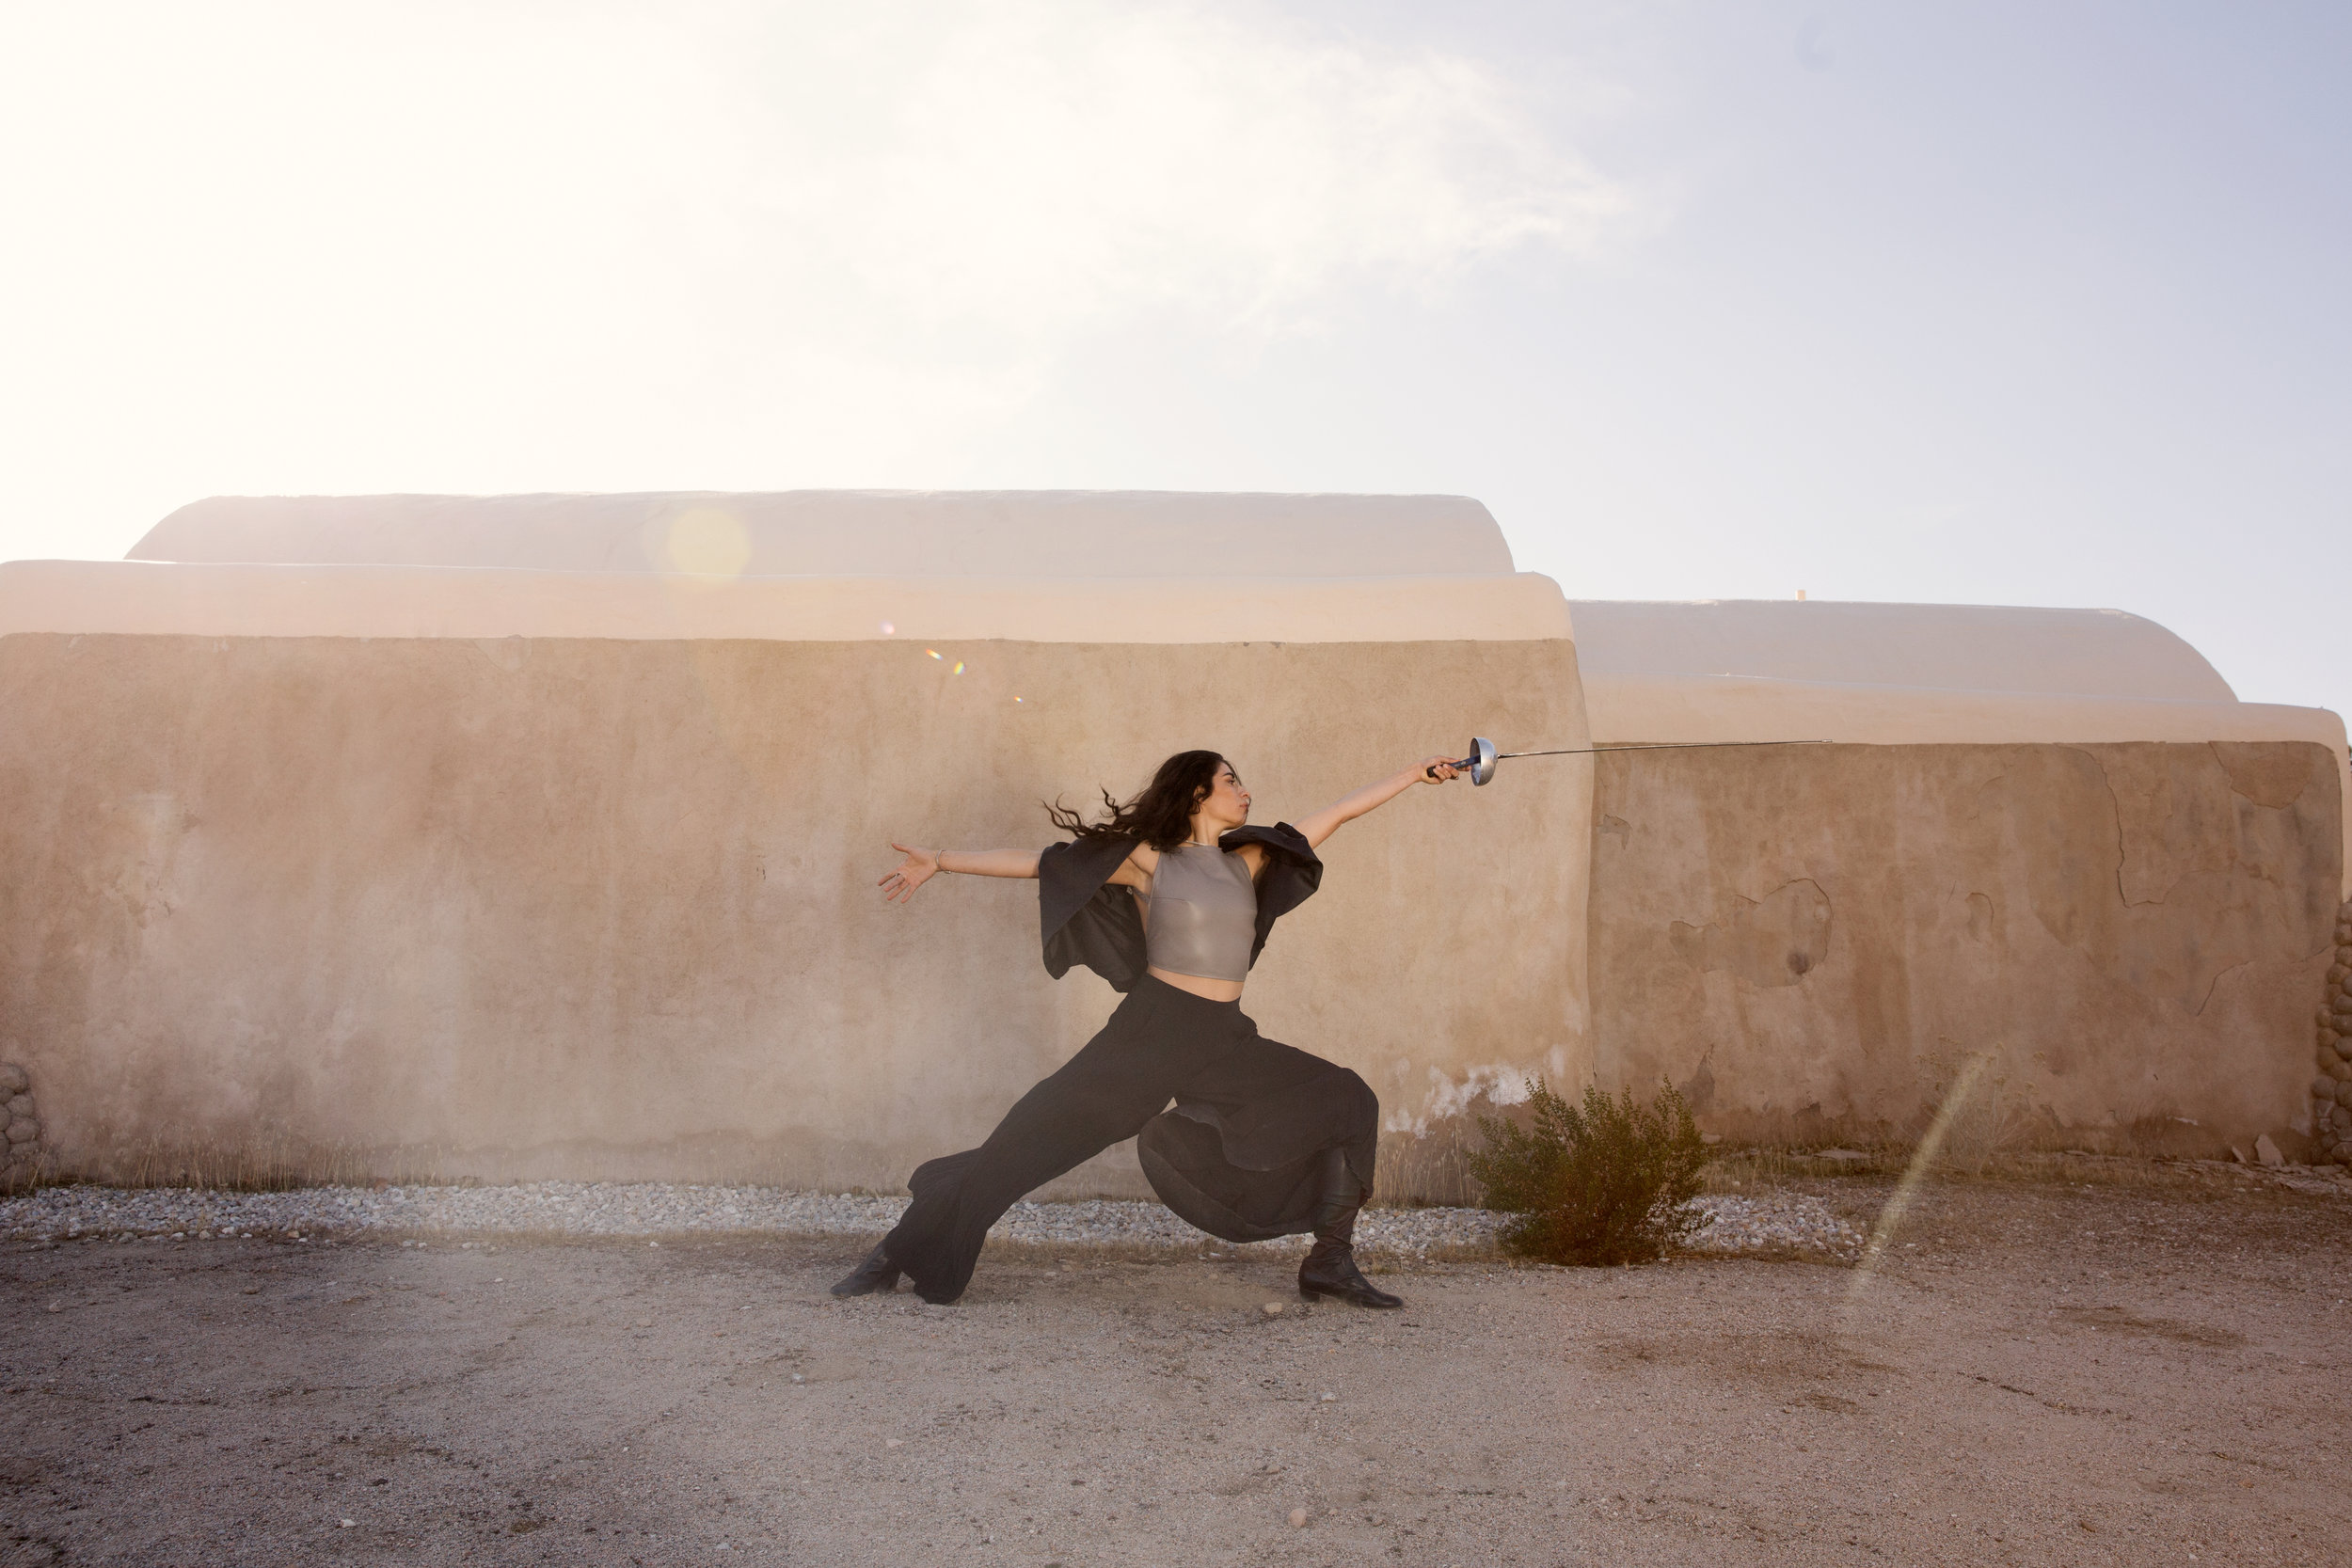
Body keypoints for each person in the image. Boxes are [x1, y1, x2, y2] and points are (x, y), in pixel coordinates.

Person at [832, 749, 1460, 1307]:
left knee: (1349, 1097)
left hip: (1223, 1038)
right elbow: (1038, 865)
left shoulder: (1255, 857)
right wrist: (938, 860)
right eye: (1230, 780)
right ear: (1196, 793)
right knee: (1027, 1144)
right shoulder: (1148, 862)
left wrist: (1413, 773)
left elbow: (1341, 813)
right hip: (1150, 1033)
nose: (1244, 790)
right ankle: (897, 1249)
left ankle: (1329, 1261)